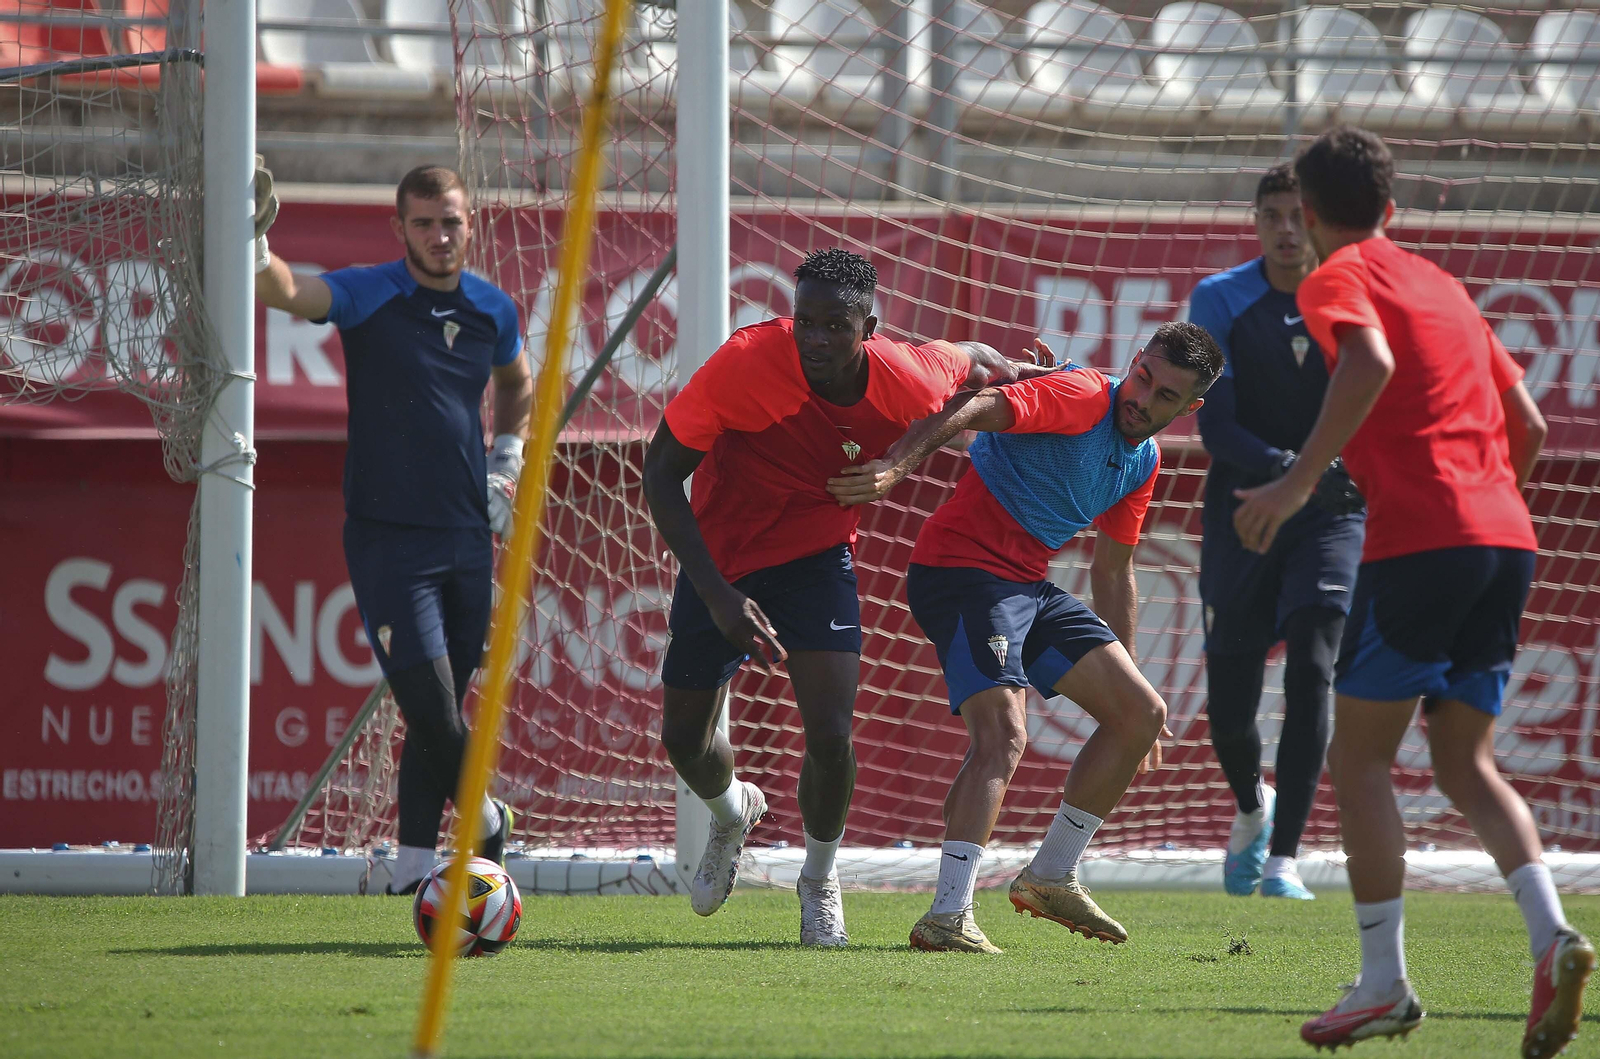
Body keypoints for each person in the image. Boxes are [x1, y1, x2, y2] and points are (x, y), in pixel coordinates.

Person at [1232, 126, 1591, 1055]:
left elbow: (1370, 363)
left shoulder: (1332, 277)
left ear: (1306, 216)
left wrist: (1295, 484)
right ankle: (1553, 936)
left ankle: (1383, 982)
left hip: (1421, 544)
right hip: (1506, 538)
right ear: (1393, 208)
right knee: (1466, 761)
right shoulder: (1444, 284)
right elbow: (1532, 423)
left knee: (1359, 763)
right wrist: (1481, 504)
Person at [642, 248, 1054, 947]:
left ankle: (820, 880)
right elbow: (658, 476)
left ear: (871, 326)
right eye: (806, 321)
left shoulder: (908, 375)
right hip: (724, 558)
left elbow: (973, 359)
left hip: (816, 556)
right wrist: (715, 595)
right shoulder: (743, 365)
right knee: (684, 740)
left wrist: (1022, 372)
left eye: (837, 325)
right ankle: (733, 810)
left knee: (831, 734)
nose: (817, 339)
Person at [829, 322, 1224, 954]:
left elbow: (1113, 569)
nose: (1143, 398)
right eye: (1144, 376)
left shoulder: (1142, 461)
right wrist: (892, 469)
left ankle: (1051, 874)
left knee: (1141, 713)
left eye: (1166, 396)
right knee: (1002, 737)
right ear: (1134, 359)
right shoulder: (1085, 395)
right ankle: (947, 917)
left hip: (1024, 586)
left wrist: (1126, 677)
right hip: (959, 572)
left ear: (1190, 408)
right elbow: (975, 405)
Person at [252, 161, 531, 894]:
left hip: (469, 538)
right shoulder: (370, 292)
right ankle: (488, 821)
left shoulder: (493, 309)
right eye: (425, 223)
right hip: (388, 542)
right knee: (435, 708)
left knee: (435, 710)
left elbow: (518, 381)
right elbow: (283, 289)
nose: (440, 236)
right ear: (399, 228)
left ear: (469, 225)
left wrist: (508, 458)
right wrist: (254, 242)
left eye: (452, 222)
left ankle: (413, 870)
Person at [1189, 163, 1366, 902]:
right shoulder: (1220, 297)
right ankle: (1252, 810)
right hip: (1245, 510)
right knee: (1229, 710)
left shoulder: (1355, 297)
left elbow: (1376, 398)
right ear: (1256, 221)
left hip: (1332, 514)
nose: (1288, 230)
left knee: (1312, 669)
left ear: (1318, 219)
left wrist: (1321, 479)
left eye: (1299, 215)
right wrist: (1292, 469)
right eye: (1273, 216)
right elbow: (1213, 420)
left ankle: (1284, 860)